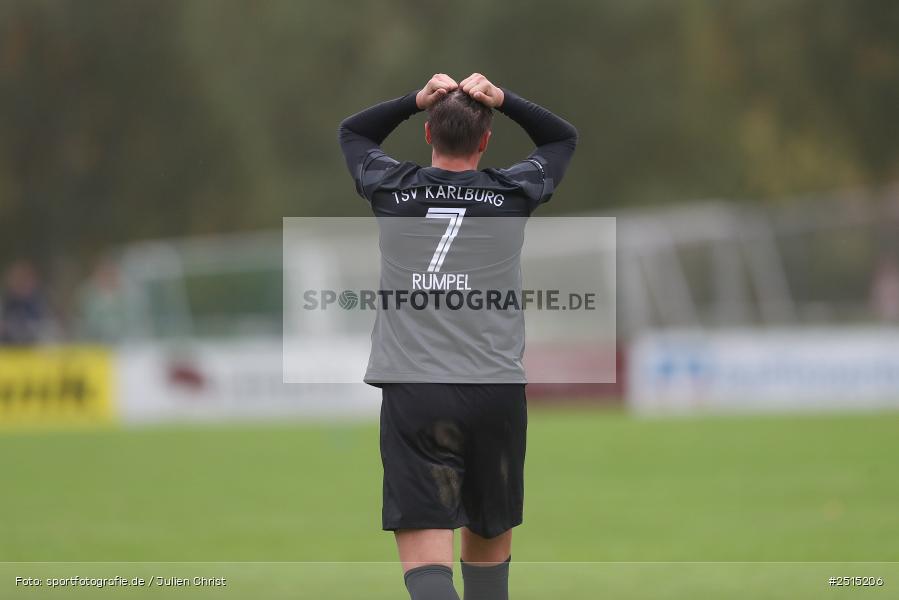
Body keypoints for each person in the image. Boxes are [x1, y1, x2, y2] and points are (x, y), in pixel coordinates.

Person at [338, 73, 577, 600]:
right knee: (490, 565)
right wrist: (504, 98)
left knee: (427, 566)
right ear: (486, 141)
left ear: (428, 135)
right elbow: (561, 139)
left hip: (417, 394)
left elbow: (353, 133)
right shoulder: (511, 193)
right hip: (496, 394)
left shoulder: (393, 187)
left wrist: (413, 99)